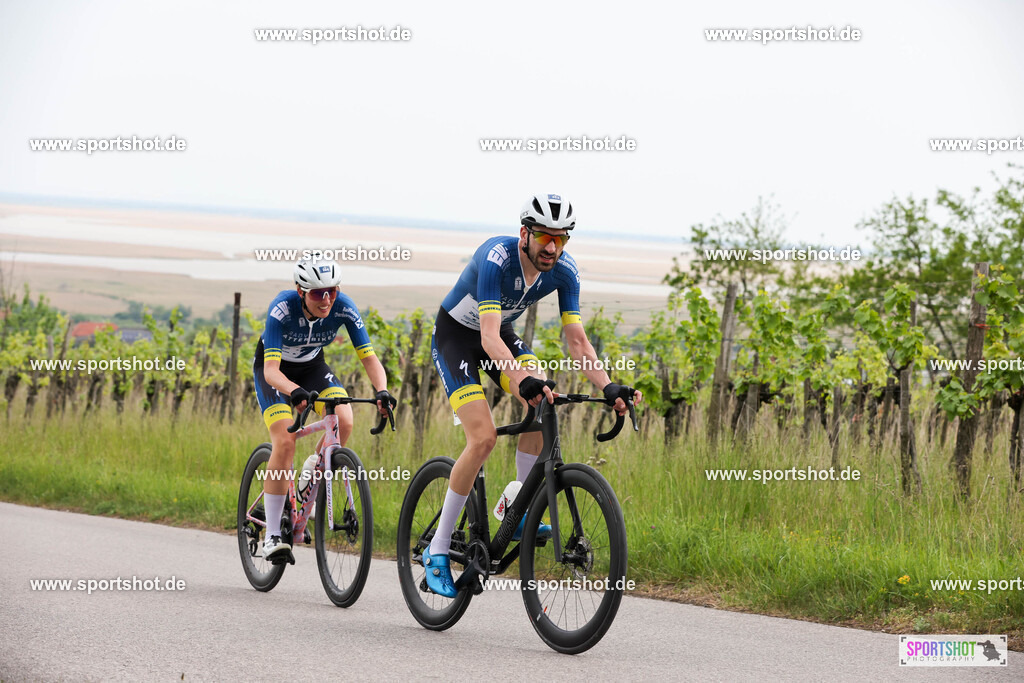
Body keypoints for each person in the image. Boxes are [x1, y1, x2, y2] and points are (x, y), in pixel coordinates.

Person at [422, 193, 641, 597]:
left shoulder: (564, 272)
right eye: (544, 237)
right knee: (483, 437)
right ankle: (436, 552)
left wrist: (608, 385)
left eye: (561, 239)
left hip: (499, 337)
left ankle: (518, 504)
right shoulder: (496, 257)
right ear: (525, 234)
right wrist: (517, 378)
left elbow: (577, 341)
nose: (553, 247)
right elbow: (486, 336)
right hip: (458, 338)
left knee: (544, 392)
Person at [253, 258, 395, 561]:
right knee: (285, 440)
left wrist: (382, 390)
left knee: (343, 419)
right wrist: (293, 391)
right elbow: (271, 372)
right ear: (300, 291)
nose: (326, 299)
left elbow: (369, 358)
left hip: (312, 368)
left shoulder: (344, 306)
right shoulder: (282, 308)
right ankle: (272, 535)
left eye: (331, 290)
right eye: (317, 293)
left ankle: (312, 469)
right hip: (276, 373)